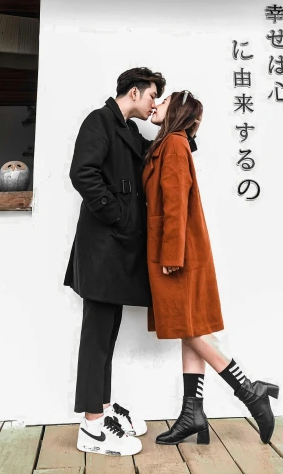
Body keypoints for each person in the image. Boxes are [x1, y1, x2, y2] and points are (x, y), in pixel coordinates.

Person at [66, 68, 198, 456]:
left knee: (106, 335)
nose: (155, 102)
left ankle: (103, 407)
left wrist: (188, 125)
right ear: (135, 92)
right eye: (153, 95)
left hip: (116, 252)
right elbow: (82, 173)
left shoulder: (127, 129)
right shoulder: (99, 120)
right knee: (96, 336)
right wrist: (118, 215)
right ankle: (91, 426)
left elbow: (156, 153)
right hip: (101, 248)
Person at [143, 90, 279, 446]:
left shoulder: (173, 144)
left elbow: (175, 202)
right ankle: (193, 413)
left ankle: (250, 392)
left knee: (190, 329)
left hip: (177, 253)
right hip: (181, 250)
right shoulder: (172, 142)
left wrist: (171, 255)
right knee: (189, 328)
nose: (155, 104)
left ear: (177, 111)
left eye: (164, 100)